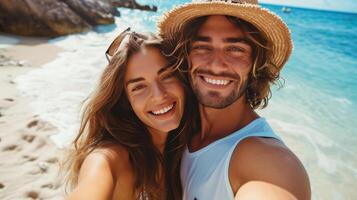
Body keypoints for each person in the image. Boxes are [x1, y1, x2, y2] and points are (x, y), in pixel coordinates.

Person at [159, 0, 311, 199]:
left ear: (256, 63)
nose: (216, 65)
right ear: (185, 56)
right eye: (202, 47)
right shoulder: (177, 128)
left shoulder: (269, 161)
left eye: (235, 49)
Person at [64, 29, 197, 200]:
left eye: (167, 76)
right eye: (139, 87)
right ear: (125, 101)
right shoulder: (108, 158)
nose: (158, 95)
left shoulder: (187, 147)